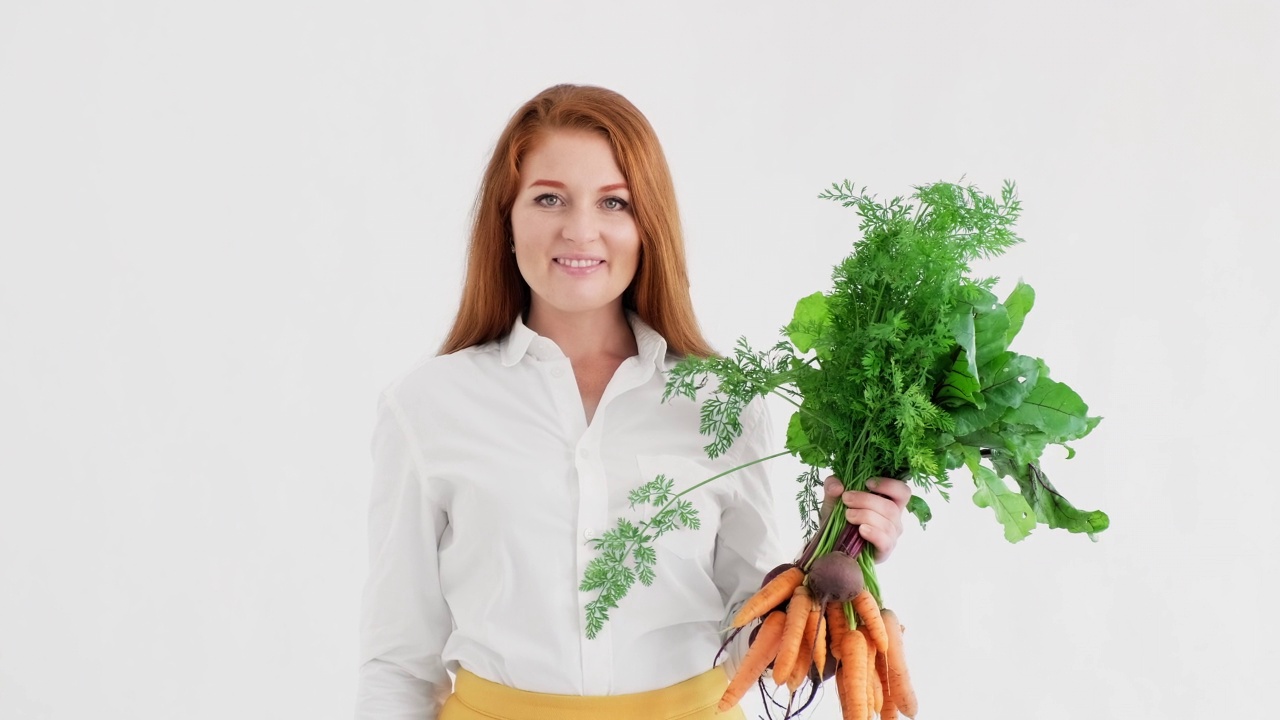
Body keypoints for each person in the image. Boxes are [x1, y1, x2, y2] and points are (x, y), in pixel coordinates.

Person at [354, 83, 912, 720]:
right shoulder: (428, 406)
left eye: (613, 202)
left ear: (649, 227)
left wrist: (839, 554)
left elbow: (752, 640)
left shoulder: (723, 401)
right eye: (548, 198)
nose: (580, 229)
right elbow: (398, 663)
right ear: (505, 222)